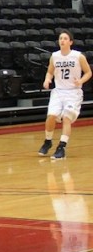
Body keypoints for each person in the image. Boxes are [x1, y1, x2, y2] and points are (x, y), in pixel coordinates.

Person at [38, 30, 91, 160]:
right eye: (60, 38)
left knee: (66, 118)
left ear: (70, 42)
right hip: (58, 91)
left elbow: (88, 72)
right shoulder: (54, 56)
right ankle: (48, 141)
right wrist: (47, 79)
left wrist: (81, 81)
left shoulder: (78, 56)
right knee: (51, 117)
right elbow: (50, 72)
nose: (62, 40)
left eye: (65, 38)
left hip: (73, 92)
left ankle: (61, 147)